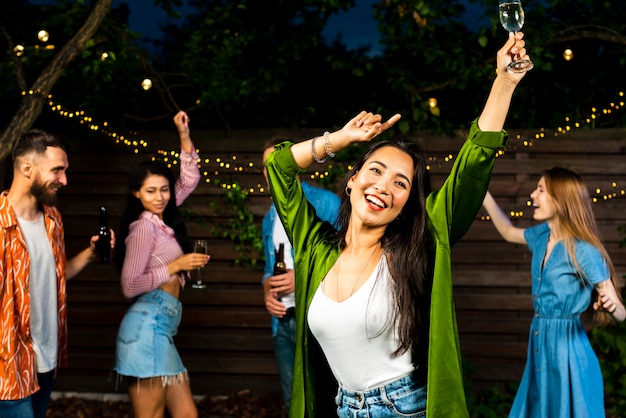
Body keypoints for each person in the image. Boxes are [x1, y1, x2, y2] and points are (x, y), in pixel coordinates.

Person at [264, 32, 531, 417]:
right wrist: (339, 139)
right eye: (375, 170)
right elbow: (279, 167)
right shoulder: (314, 248)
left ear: (407, 204)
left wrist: (504, 82)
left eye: (400, 183)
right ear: (353, 179)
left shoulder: (418, 246)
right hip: (343, 409)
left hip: (407, 408)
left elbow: (473, 164)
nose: (383, 187)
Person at [482, 168, 626, 418]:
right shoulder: (540, 236)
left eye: (540, 190)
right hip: (539, 347)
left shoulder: (585, 250)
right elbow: (507, 231)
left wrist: (611, 306)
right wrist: (482, 192)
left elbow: (621, 313)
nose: (532, 195)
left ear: (561, 200)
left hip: (569, 358)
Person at [0, 130, 114, 418]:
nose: (64, 180)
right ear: (27, 168)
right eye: (57, 170)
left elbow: (56, 276)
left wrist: (91, 252)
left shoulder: (52, 219)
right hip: (7, 367)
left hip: (46, 360)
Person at [113, 110, 209, 418]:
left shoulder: (163, 218)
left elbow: (190, 178)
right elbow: (129, 285)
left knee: (186, 415)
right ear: (136, 193)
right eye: (151, 191)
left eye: (165, 189)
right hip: (147, 329)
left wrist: (183, 135)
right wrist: (176, 264)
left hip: (161, 330)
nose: (160, 197)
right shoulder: (143, 228)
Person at [261, 137, 341, 413]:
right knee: (292, 401)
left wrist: (303, 276)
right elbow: (268, 269)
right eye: (264, 166)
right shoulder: (270, 216)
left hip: (316, 320)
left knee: (326, 400)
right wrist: (266, 292)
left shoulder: (327, 202)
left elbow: (348, 258)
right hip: (282, 321)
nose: (269, 171)